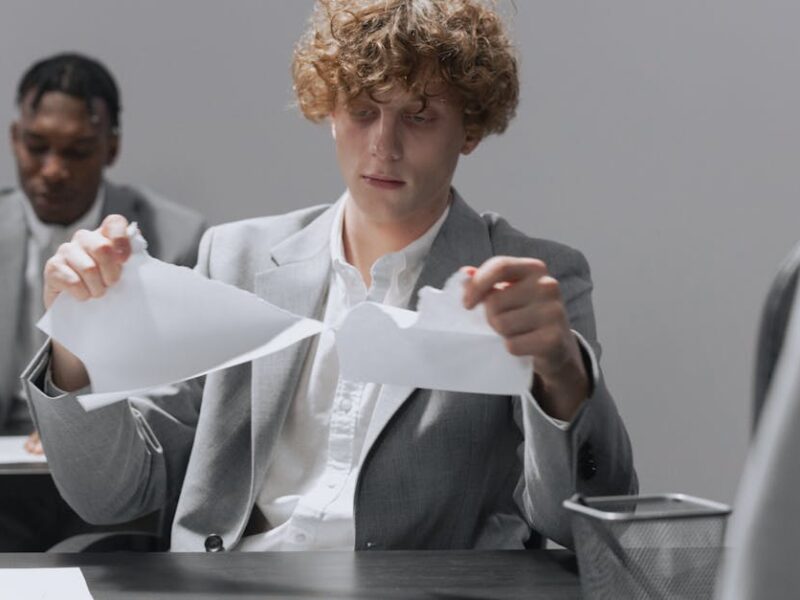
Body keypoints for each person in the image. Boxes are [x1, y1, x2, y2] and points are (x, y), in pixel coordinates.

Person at [23, 1, 636, 552]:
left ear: (469, 129)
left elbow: (584, 521)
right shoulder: (235, 257)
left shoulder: (534, 279)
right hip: (229, 584)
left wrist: (560, 370)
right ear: (328, 110)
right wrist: (77, 341)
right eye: (363, 111)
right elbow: (115, 494)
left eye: (419, 117)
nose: (383, 147)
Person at [0, 52, 205, 550]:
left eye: (77, 151)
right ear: (13, 139)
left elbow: (173, 399)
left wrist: (69, 427)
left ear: (111, 148)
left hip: (110, 470)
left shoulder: (175, 237)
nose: (52, 170)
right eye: (37, 146)